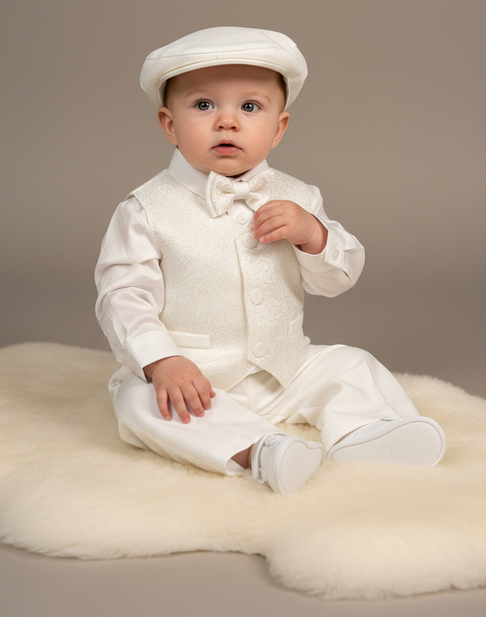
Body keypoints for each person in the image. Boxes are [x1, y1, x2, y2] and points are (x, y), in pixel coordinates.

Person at [95, 26, 446, 494]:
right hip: (194, 379)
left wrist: (314, 236)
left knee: (350, 364)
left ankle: (366, 433)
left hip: (284, 369)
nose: (227, 121)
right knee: (138, 403)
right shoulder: (144, 209)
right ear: (169, 125)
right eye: (203, 105)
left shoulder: (299, 197)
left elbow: (336, 280)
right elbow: (123, 297)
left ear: (278, 128)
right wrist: (162, 363)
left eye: (250, 107)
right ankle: (260, 450)